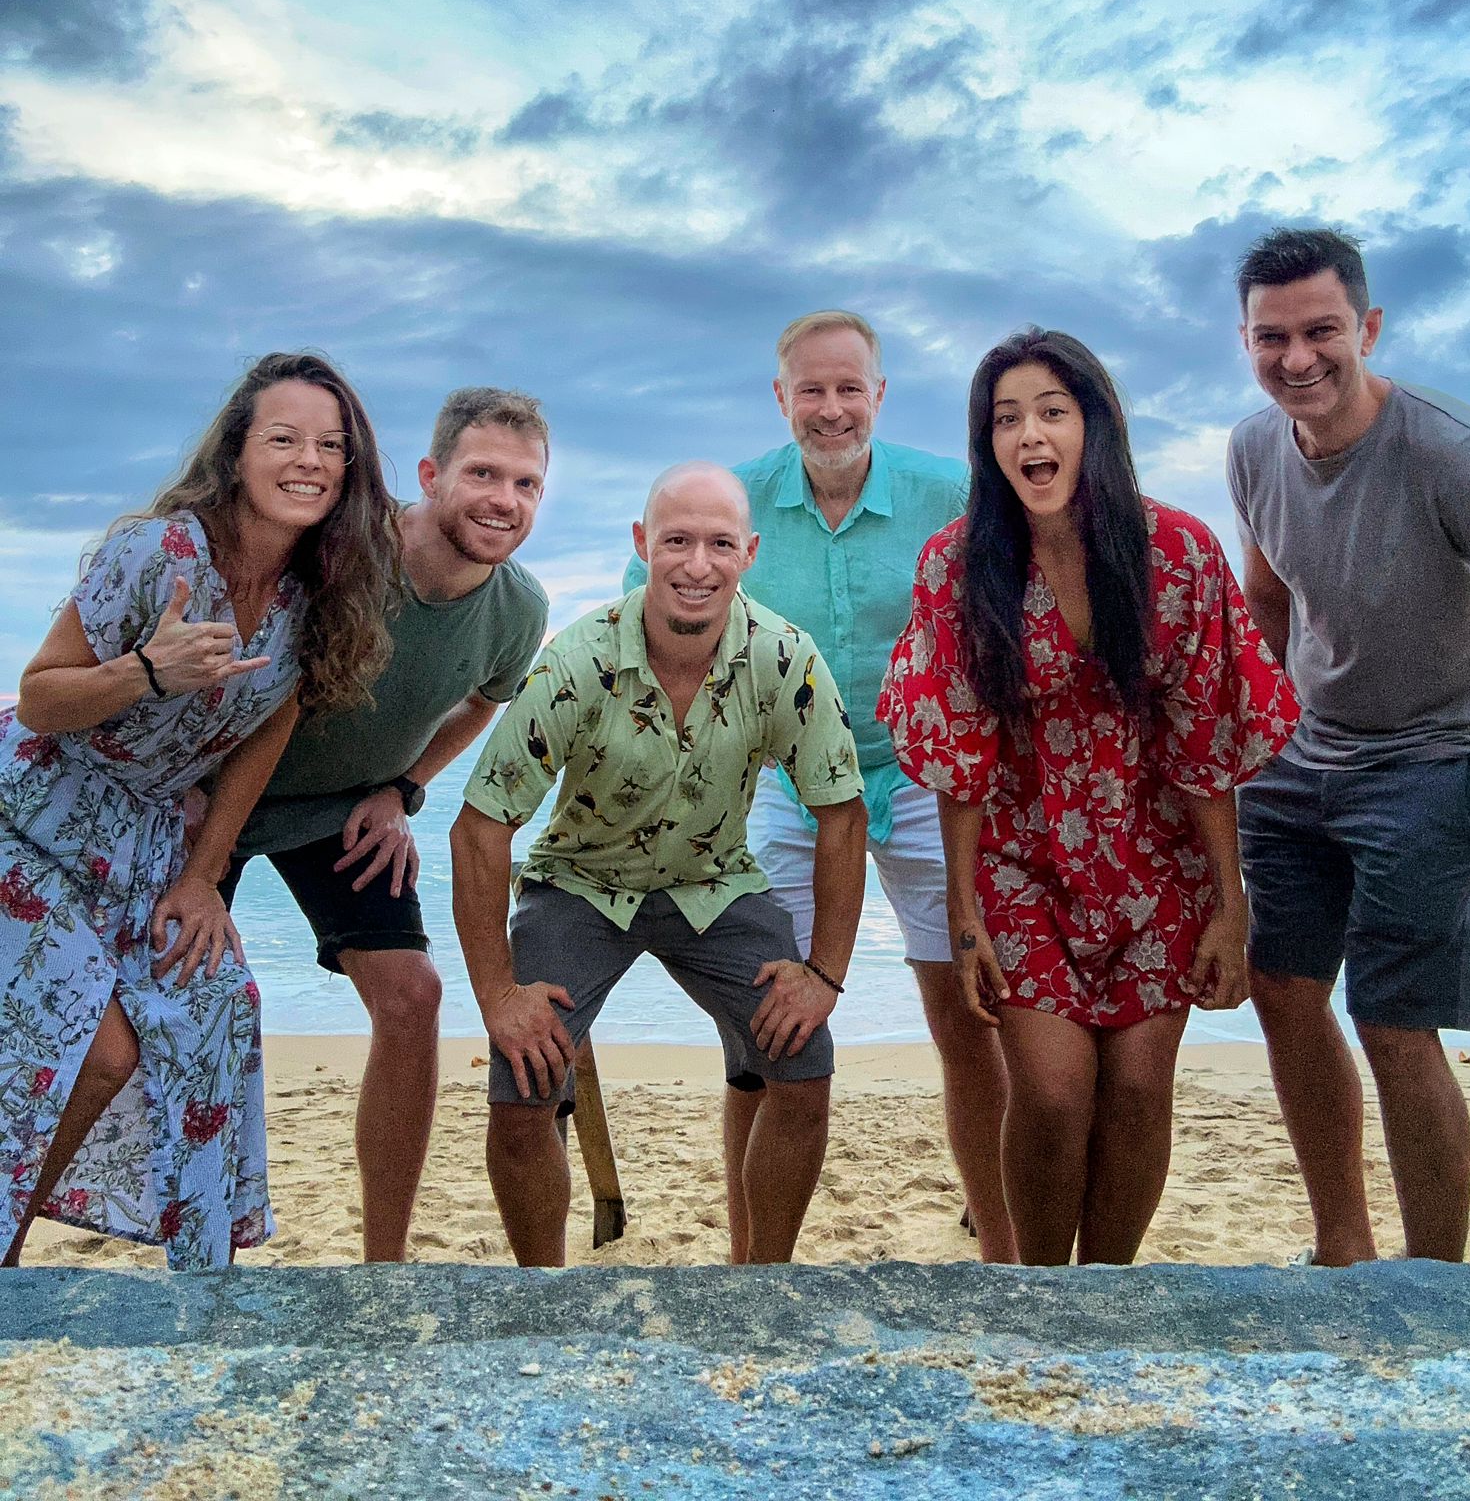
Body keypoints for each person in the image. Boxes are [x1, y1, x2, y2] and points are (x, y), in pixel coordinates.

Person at [880, 328, 1297, 1266]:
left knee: (1141, 1092)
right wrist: (962, 916)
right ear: (988, 444)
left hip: (1159, 861)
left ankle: (1109, 1292)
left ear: (1094, 426)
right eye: (1006, 419)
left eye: (1052, 412)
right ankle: (1040, 1293)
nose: (1030, 434)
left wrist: (1231, 907)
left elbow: (1206, 740)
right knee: (1053, 1093)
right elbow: (959, 752)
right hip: (1021, 862)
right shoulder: (957, 565)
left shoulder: (1178, 552)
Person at [625, 308, 1011, 1261]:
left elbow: (1016, 608)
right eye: (812, 390)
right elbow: (646, 614)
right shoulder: (736, 500)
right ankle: (753, 1267)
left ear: (879, 393)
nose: (831, 409)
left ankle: (1005, 1253)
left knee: (967, 1017)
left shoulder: (949, 491)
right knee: (766, 1029)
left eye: (849, 389)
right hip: (781, 778)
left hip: (922, 771)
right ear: (781, 397)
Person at [1, 351, 397, 1268]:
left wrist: (204, 876)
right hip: (30, 817)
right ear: (237, 452)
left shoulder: (318, 589)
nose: (309, 460)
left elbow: (270, 725)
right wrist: (145, 673)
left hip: (145, 842)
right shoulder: (157, 554)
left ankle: (199, 1281)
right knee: (99, 1051)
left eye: (331, 445)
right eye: (284, 438)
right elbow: (40, 699)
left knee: (220, 1005)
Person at [451, 461, 867, 1266]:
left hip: (714, 883)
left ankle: (764, 1284)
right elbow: (479, 829)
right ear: (643, 544)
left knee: (804, 1062)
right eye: (677, 541)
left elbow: (842, 816)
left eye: (719, 544)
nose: (697, 565)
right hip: (581, 885)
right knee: (524, 1080)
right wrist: (497, 995)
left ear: (749, 552)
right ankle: (542, 1294)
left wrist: (825, 972)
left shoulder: (786, 659)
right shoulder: (576, 661)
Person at [1229, 226, 1470, 1265]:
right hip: (1303, 754)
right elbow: (1267, 595)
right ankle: (1342, 1248)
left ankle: (1435, 1282)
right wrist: (1261, 738)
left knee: (1396, 1022)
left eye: (1321, 331)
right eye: (1272, 337)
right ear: (1247, 341)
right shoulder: (1253, 447)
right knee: (1282, 990)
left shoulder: (1455, 454)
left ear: (1366, 328)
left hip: (1432, 758)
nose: (1297, 358)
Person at [221, 386, 550, 1261]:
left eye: (526, 484)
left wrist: (402, 788)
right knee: (181, 1004)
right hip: (212, 796)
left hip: (340, 810)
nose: (504, 500)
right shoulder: (344, 552)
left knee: (414, 997)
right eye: (483, 474)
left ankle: (384, 1268)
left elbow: (484, 702)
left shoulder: (520, 609)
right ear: (432, 475)